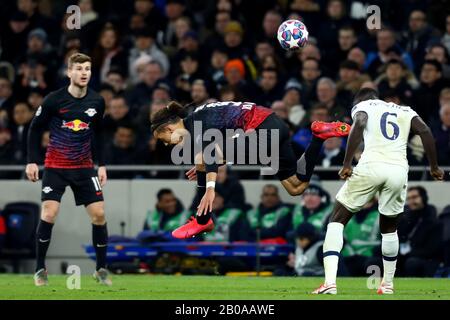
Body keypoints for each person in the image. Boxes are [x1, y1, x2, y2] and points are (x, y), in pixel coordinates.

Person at [151, 100, 350, 239]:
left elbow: (210, 153)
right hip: (274, 125)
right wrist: (207, 163)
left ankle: (203, 219)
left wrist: (210, 188)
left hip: (262, 129)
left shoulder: (196, 124)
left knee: (202, 157)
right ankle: (318, 136)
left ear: (169, 129)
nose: (168, 145)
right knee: (296, 186)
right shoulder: (199, 118)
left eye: (164, 140)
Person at [313, 88, 444, 295]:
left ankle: (330, 282)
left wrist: (347, 163)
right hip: (398, 171)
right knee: (389, 230)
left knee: (336, 220)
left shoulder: (363, 106)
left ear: (360, 100)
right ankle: (388, 284)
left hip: (371, 166)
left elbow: (360, 122)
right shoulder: (404, 110)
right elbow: (426, 131)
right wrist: (434, 167)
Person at [25, 53, 111, 286]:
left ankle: (101, 269)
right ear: (69, 72)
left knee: (99, 215)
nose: (84, 73)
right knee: (49, 213)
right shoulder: (54, 100)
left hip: (84, 168)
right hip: (56, 167)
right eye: (79, 68)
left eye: (88, 69)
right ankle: (40, 269)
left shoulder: (97, 101)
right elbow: (34, 129)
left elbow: (100, 134)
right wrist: (33, 161)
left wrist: (101, 165)